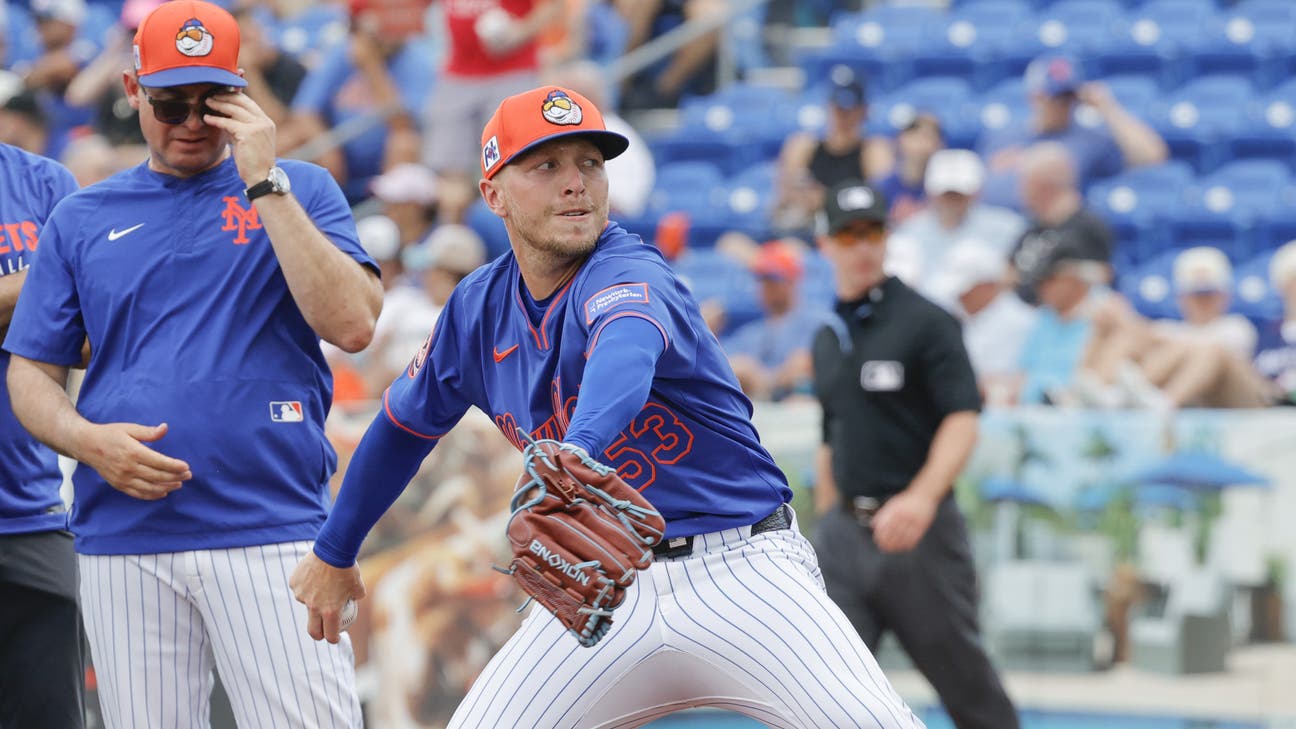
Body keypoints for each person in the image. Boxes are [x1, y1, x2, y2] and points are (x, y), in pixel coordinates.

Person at [289, 85, 924, 729]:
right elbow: (402, 428)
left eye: (590, 163)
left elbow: (625, 350)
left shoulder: (629, 270)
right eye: (546, 165)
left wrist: (578, 452)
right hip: (603, 589)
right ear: (493, 195)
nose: (576, 183)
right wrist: (335, 550)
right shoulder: (475, 310)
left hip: (741, 570)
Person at [3, 2, 382, 726]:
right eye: (169, 103)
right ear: (132, 89)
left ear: (241, 95)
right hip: (123, 534)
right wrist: (87, 441)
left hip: (272, 525)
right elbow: (31, 371)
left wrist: (265, 182)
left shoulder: (299, 187)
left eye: (212, 103)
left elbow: (353, 323)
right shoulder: (82, 216)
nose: (191, 123)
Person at [810, 180, 1020, 729]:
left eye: (872, 232)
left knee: (968, 688)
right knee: (826, 691)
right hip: (845, 538)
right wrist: (827, 521)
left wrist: (922, 499)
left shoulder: (928, 322)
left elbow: (963, 417)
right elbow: (830, 433)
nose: (862, 246)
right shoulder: (829, 334)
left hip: (919, 536)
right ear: (825, 244)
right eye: (848, 235)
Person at [0, 142, 82, 729]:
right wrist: (41, 283)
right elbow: (59, 292)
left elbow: (88, 317)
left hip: (32, 513)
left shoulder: (44, 181)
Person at [978, 54, 1167, 209]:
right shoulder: (1001, 136)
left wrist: (1107, 107)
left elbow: (1151, 156)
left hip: (1048, 229)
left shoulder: (1089, 139)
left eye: (1069, 96)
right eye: (1056, 97)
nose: (1064, 105)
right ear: (1034, 97)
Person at [889, 148, 1025, 295]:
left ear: (976, 193)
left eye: (959, 194)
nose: (952, 200)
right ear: (930, 193)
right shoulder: (910, 231)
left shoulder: (1008, 228)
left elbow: (1017, 276)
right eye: (946, 194)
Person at [774, 65, 891, 235]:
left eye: (849, 109)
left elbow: (876, 202)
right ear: (828, 107)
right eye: (837, 107)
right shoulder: (803, 145)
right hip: (804, 227)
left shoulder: (873, 151)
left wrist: (825, 199)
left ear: (863, 111)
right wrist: (801, 198)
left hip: (849, 233)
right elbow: (783, 197)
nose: (842, 115)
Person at [723, 239, 831, 401]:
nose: (766, 288)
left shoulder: (819, 322)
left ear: (792, 281)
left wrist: (770, 379)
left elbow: (808, 364)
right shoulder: (752, 332)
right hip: (758, 407)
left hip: (803, 404)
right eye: (762, 281)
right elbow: (727, 365)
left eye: (773, 280)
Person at [1009, 142, 1113, 305]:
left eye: (1026, 183)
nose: (1021, 192)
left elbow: (1105, 275)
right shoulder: (1034, 225)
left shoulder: (1088, 228)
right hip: (1018, 308)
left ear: (1045, 186)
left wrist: (1066, 272)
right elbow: (1009, 271)